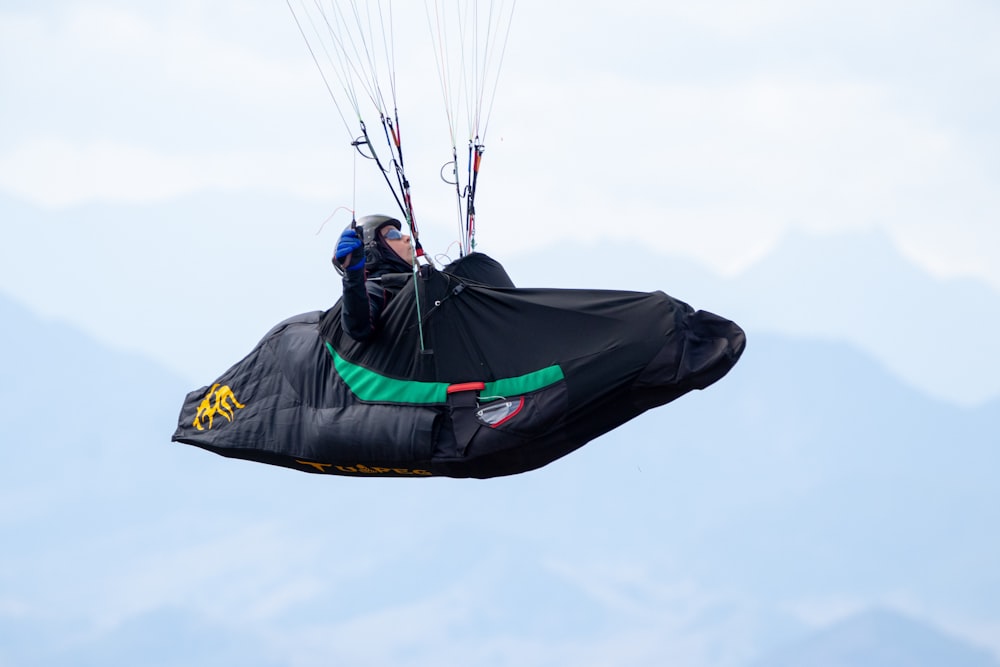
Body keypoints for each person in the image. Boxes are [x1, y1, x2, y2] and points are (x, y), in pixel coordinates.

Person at [333, 214, 415, 340]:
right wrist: (353, 275)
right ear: (370, 252)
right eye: (393, 234)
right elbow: (358, 327)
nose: (407, 237)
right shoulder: (375, 289)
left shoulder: (414, 285)